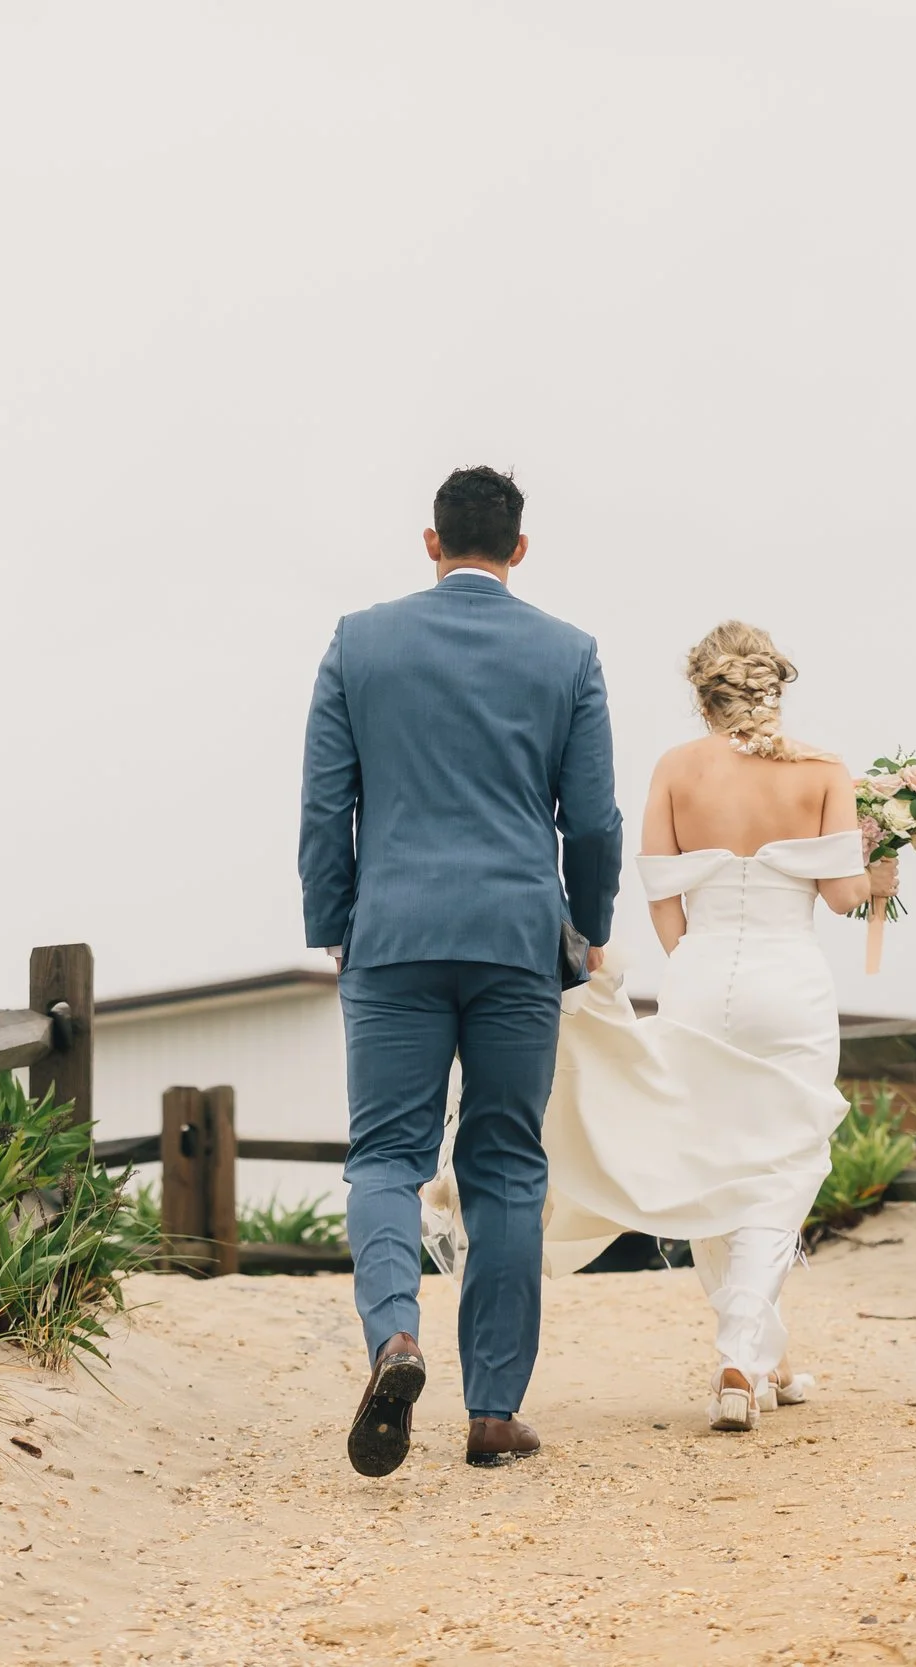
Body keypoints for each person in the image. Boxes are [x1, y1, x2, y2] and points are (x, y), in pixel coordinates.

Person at [298, 466, 621, 1477]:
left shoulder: (359, 641)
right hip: (516, 938)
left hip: (393, 933)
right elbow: (593, 822)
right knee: (506, 1164)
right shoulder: (569, 653)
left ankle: (395, 1335)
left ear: (430, 542)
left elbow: (325, 803)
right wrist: (588, 928)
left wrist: (336, 923)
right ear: (519, 549)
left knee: (385, 1157)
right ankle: (492, 1412)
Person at [538, 620, 895, 1432]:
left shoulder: (675, 768)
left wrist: (699, 967)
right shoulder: (824, 771)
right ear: (775, 686)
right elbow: (845, 898)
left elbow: (663, 902)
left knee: (713, 1160)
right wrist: (880, 874)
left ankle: (761, 1357)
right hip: (789, 982)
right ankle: (740, 1353)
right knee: (785, 1163)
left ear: (703, 696)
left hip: (698, 979)